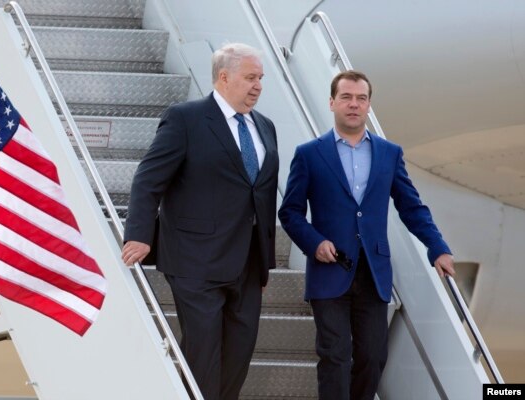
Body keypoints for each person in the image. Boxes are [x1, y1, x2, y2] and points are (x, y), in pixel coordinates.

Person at [278, 70, 455, 400]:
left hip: (374, 272)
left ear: (369, 105)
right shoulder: (309, 154)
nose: (354, 105)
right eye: (346, 97)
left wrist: (438, 247)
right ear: (332, 102)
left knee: (373, 358)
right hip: (330, 270)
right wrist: (314, 243)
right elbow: (289, 212)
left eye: (361, 99)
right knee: (335, 355)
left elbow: (412, 207)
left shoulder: (390, 153)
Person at [121, 43, 279, 400]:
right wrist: (141, 235)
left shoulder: (265, 127)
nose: (258, 86)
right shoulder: (185, 118)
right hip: (195, 260)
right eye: (250, 77)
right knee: (203, 356)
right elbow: (149, 179)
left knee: (237, 359)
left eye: (261, 78)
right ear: (224, 77)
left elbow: (261, 197)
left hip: (247, 265)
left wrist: (264, 262)